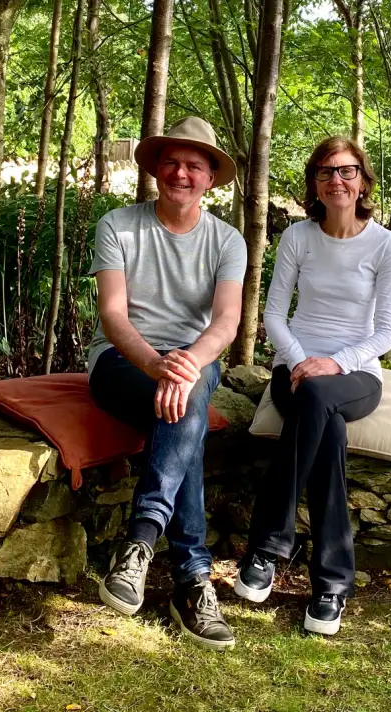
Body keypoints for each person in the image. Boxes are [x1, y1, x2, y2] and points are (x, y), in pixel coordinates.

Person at [87, 116, 246, 651]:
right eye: (172, 162)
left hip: (192, 365)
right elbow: (113, 314)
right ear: (157, 169)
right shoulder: (118, 225)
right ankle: (191, 581)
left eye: (193, 165)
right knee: (189, 411)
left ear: (209, 178)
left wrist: (186, 363)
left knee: (188, 399)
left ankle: (142, 545)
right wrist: (157, 364)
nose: (181, 173)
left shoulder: (228, 241)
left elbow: (225, 322)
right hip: (121, 361)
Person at [235, 136, 391, 635]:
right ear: (314, 183)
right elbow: (273, 313)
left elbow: (387, 332)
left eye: (347, 171)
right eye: (326, 172)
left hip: (357, 374)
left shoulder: (385, 245)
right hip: (296, 369)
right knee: (320, 420)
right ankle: (331, 582)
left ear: (363, 181)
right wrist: (301, 361)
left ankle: (268, 545)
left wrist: (336, 362)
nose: (337, 180)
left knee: (320, 399)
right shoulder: (298, 238)